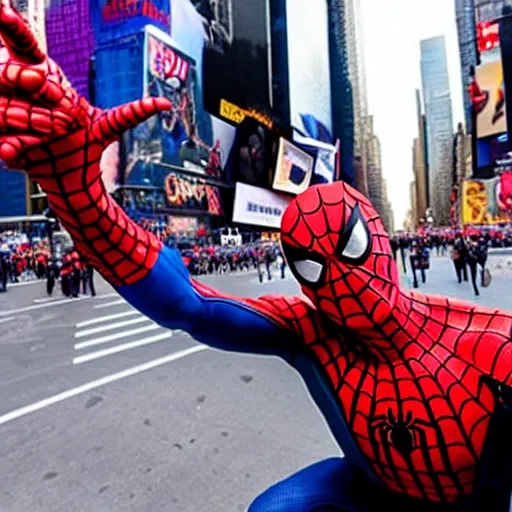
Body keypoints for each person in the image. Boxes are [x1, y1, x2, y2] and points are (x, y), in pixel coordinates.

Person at [0, 7, 510, 511]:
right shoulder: (312, 331)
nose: (342, 279)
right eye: (313, 268)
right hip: (366, 486)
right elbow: (189, 305)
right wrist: (79, 194)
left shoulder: (488, 339)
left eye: (350, 248)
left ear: (377, 235)